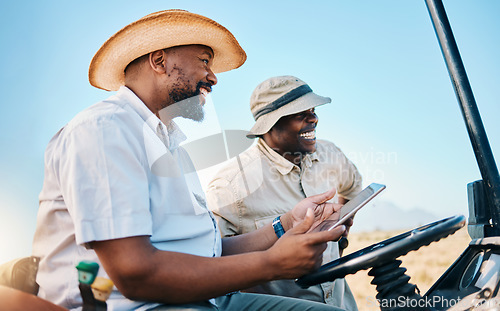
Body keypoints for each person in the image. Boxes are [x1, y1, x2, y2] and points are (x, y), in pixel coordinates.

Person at [31, 10, 349, 311]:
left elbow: (207, 252)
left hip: (208, 299)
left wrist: (286, 224)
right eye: (204, 61)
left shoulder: (171, 145)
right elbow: (135, 274)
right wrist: (271, 265)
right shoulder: (104, 131)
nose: (213, 77)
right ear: (159, 61)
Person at [206, 76, 362, 310]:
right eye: (301, 114)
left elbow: (353, 188)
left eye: (313, 110)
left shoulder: (330, 153)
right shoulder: (231, 185)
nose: (314, 119)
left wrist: (342, 230)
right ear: (270, 124)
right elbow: (213, 262)